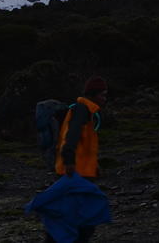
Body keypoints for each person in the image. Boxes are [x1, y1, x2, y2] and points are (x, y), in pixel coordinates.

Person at [50, 75, 109, 242]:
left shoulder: (87, 111)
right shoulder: (82, 110)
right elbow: (72, 137)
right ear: (93, 94)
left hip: (81, 171)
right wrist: (69, 161)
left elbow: (85, 144)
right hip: (75, 172)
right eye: (103, 95)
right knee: (82, 218)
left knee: (74, 215)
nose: (105, 99)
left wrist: (95, 166)